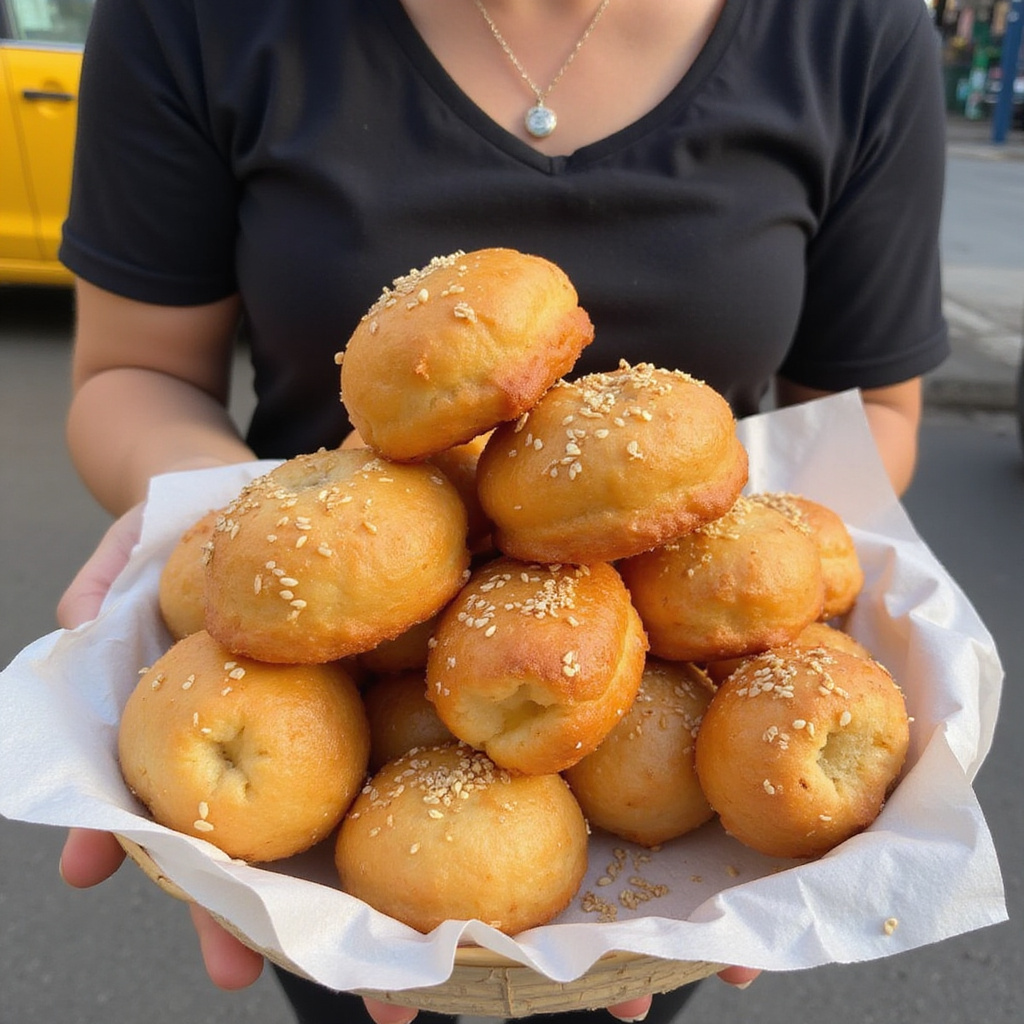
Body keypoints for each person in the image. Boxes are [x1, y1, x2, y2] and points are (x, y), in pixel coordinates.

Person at [53, 0, 949, 1022]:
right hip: (328, 902)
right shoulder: (191, 20)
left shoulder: (856, 33)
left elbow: (871, 408)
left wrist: (771, 566)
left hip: (653, 890)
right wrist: (192, 506)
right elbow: (133, 368)